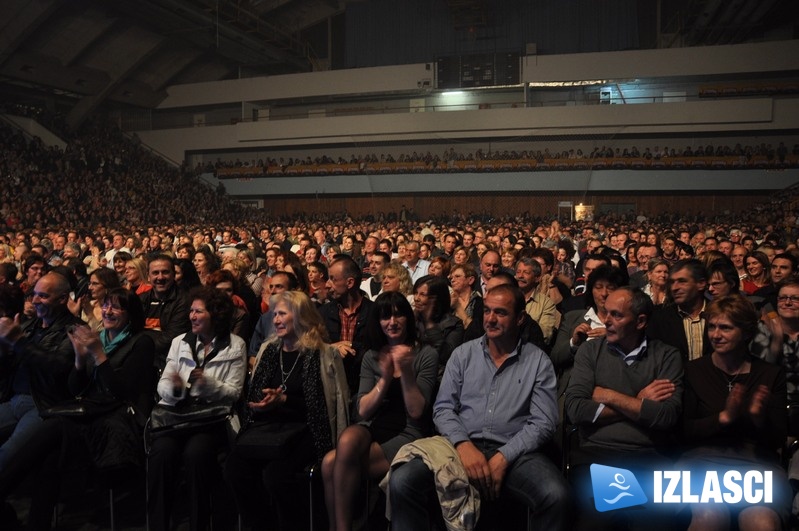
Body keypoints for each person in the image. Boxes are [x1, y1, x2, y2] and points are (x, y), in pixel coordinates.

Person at [387, 284, 569, 531]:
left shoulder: (538, 361)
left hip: (516, 452)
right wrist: (463, 445)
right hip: (461, 446)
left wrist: (504, 456)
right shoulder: (464, 354)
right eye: (487, 311)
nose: (490, 319)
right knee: (402, 481)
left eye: (501, 313)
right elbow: (443, 408)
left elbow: (543, 422)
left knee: (555, 494)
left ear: (520, 318)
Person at [0, 289, 155, 529]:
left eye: (115, 307)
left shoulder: (141, 341)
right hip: (89, 417)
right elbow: (75, 389)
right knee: (50, 455)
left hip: (117, 423)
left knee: (52, 427)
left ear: (130, 314)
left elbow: (121, 392)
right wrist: (81, 360)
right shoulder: (99, 337)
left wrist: (98, 354)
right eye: (105, 306)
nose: (107, 311)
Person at [225, 291, 350, 530]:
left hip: (307, 430)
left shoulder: (323, 354)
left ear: (301, 316)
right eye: (275, 314)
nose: (276, 320)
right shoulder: (269, 350)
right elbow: (255, 395)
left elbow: (326, 409)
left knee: (276, 476)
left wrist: (285, 400)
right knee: (235, 469)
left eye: (283, 314)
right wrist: (263, 403)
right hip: (269, 428)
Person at [564, 287, 683, 530]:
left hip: (650, 457)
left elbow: (666, 416)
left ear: (640, 321)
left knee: (656, 522)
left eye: (617, 315)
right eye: (606, 313)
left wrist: (607, 395)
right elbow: (576, 409)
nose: (606, 321)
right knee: (605, 517)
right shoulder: (590, 350)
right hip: (599, 455)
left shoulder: (667, 356)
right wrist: (638, 400)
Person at [322, 291, 438, 531]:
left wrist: (404, 371)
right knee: (346, 441)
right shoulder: (372, 356)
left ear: (409, 318)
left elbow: (417, 412)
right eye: (385, 317)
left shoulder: (426, 354)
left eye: (398, 316)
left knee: (331, 464)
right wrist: (385, 377)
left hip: (408, 431)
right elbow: (363, 411)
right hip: (374, 425)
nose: (392, 322)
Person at [681, 294, 790, 529]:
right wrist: (723, 418)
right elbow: (682, 431)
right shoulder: (693, 370)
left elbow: (779, 438)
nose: (716, 335)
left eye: (725, 328)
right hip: (702, 461)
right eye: (712, 327)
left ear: (747, 333)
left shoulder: (769, 374)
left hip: (757, 465)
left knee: (761, 521)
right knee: (710, 515)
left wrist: (758, 418)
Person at [147, 286, 247, 531]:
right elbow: (162, 385)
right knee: (161, 454)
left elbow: (234, 392)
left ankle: (199, 523)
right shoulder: (180, 342)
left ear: (215, 315)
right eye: (191, 311)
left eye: (198, 311)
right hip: (177, 415)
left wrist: (206, 384)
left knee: (196, 454)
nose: (192, 316)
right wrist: (176, 387)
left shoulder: (235, 345)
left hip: (211, 419)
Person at [0, 272, 83, 471]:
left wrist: (19, 342)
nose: (35, 300)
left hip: (44, 405)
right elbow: (9, 369)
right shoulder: (30, 326)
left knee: (7, 456)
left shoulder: (75, 329)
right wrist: (4, 348)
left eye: (43, 296)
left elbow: (58, 368)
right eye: (34, 295)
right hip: (13, 399)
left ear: (63, 299)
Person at [319, 256, 374, 396]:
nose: (327, 284)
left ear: (349, 283)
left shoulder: (375, 312)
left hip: (366, 388)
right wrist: (331, 348)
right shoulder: (323, 313)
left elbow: (380, 350)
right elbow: (311, 346)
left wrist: (352, 347)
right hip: (331, 388)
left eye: (333, 279)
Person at [647, 259, 712, 361]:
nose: (674, 288)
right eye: (672, 282)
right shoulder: (659, 318)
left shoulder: (721, 314)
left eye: (682, 281)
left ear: (701, 284)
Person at [140, 255, 191, 370]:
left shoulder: (185, 301)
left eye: (165, 272)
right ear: (148, 276)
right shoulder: (140, 300)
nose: (160, 277)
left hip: (169, 362)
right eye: (155, 273)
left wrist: (138, 347)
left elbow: (171, 338)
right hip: (142, 358)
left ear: (173, 275)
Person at [412, 275, 464, 373]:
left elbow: (447, 357)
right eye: (416, 293)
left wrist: (430, 325)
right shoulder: (411, 319)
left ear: (436, 299)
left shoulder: (453, 324)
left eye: (422, 294)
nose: (416, 298)